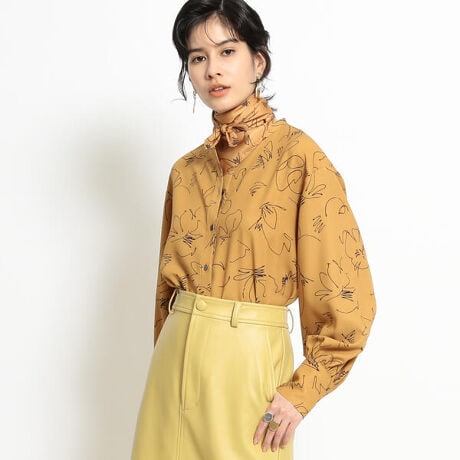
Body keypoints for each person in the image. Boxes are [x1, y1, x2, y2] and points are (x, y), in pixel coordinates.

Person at [131, 0, 376, 458]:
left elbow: (346, 290)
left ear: (257, 62)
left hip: (248, 364)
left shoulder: (299, 158)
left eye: (227, 51)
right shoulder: (185, 171)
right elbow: (165, 295)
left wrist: (304, 391)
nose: (212, 69)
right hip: (172, 364)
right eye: (198, 57)